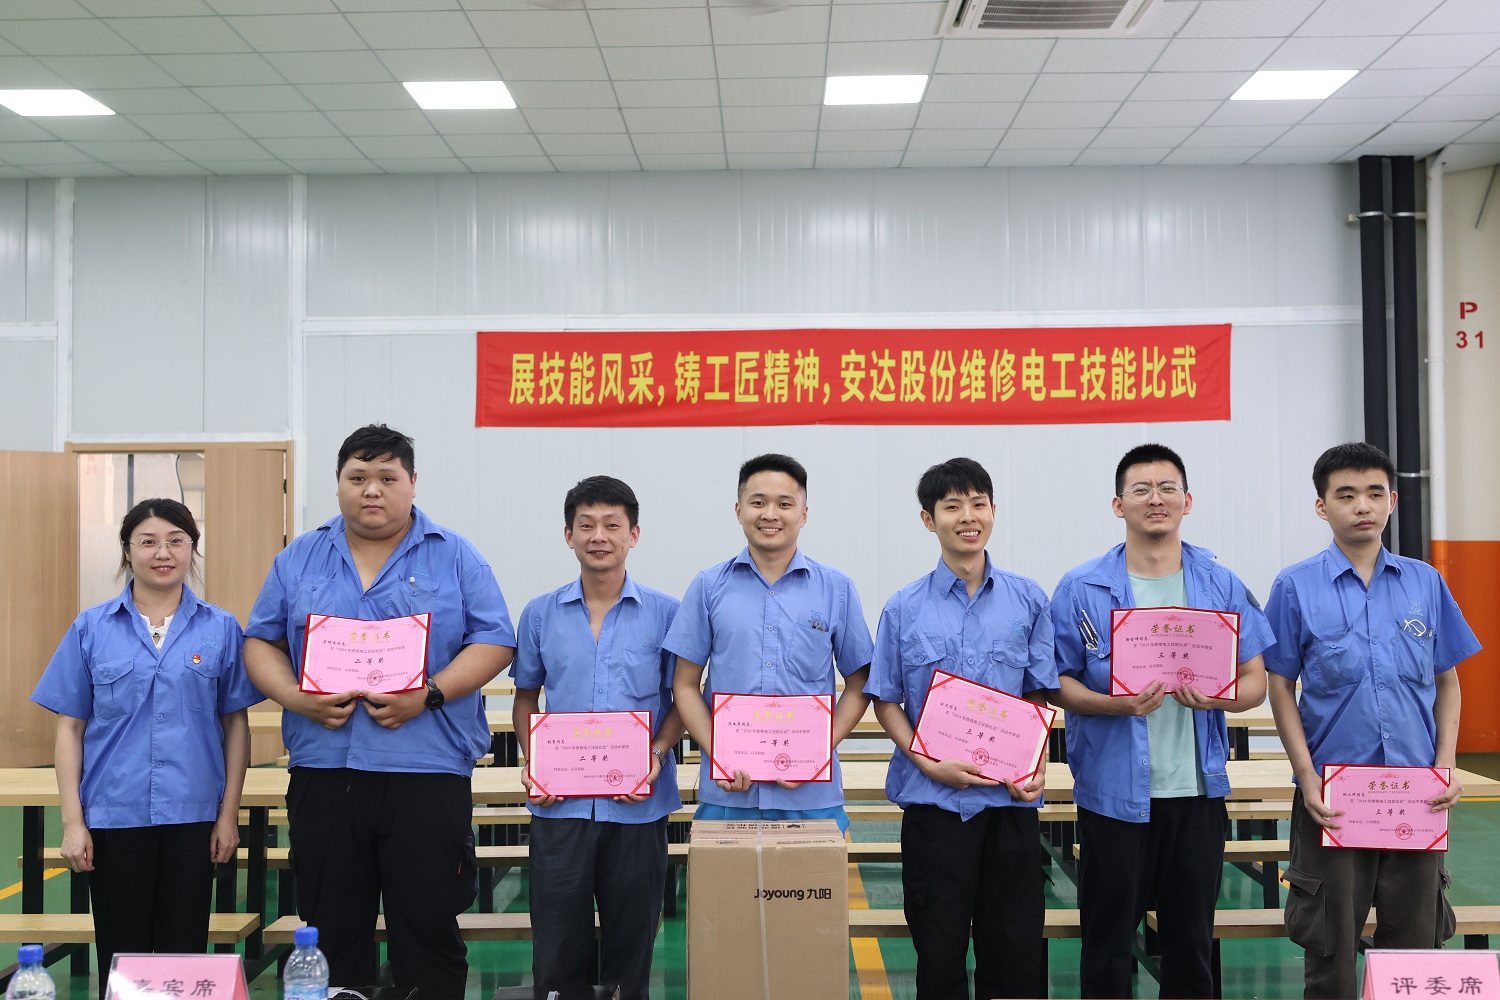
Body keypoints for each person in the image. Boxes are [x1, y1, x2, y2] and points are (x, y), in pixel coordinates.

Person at [243, 424, 515, 1000]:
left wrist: (429, 694)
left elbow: (494, 640)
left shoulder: (455, 556)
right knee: (331, 929)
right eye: (358, 477)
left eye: (388, 477)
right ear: (338, 483)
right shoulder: (300, 558)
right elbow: (261, 640)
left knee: (428, 925)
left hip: (426, 769)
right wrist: (295, 697)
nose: (372, 490)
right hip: (326, 768)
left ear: (412, 482)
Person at [1048, 443, 1274, 999]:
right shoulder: (1081, 588)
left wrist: (1217, 701)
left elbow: (1256, 681)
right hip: (1112, 795)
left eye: (1168, 488)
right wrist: (1115, 704)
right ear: (1118, 504)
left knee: (1191, 946)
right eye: (1141, 489)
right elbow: (1056, 683)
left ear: (1187, 501)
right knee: (1106, 945)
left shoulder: (1220, 584)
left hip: (1195, 793)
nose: (1156, 499)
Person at [1264, 442, 1480, 1000]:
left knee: (1416, 944)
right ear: (1322, 506)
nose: (1362, 505)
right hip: (1334, 796)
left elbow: (1448, 682)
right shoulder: (1295, 586)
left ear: (1393, 501)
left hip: (1416, 794)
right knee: (1330, 948)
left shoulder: (1425, 582)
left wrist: (1445, 766)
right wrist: (1307, 778)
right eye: (1346, 495)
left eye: (1374, 493)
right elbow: (1280, 686)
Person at [31, 498, 261, 986]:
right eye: (149, 541)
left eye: (177, 541)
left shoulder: (221, 628)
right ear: (127, 550)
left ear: (192, 549)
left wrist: (227, 816)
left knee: (184, 955)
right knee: (123, 957)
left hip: (193, 817)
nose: (163, 553)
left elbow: (235, 726)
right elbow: (70, 729)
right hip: (115, 815)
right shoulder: (91, 628)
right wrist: (73, 823)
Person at [865, 458, 1055, 1000]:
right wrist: (926, 761)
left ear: (994, 511)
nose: (967, 517)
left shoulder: (1028, 599)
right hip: (935, 809)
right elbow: (887, 701)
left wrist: (1036, 765)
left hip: (1008, 805)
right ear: (929, 520)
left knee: (1014, 954)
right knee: (939, 953)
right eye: (952, 506)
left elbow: (1037, 695)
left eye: (978, 504)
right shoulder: (903, 607)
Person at [512, 476, 686, 1000]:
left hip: (638, 805)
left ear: (634, 534)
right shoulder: (540, 613)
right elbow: (526, 697)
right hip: (559, 808)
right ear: (568, 535)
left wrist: (656, 754)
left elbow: (681, 700)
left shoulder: (667, 613)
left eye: (613, 524)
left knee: (630, 950)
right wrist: (534, 761)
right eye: (586, 525)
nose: (599, 536)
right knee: (557, 952)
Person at [666, 453, 874, 829]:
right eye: (758, 502)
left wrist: (817, 751)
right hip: (730, 791)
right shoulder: (708, 587)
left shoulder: (837, 589)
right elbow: (684, 684)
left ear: (804, 514)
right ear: (739, 510)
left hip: (810, 793)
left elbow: (860, 682)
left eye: (784, 504)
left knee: (814, 873)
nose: (770, 514)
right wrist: (719, 754)